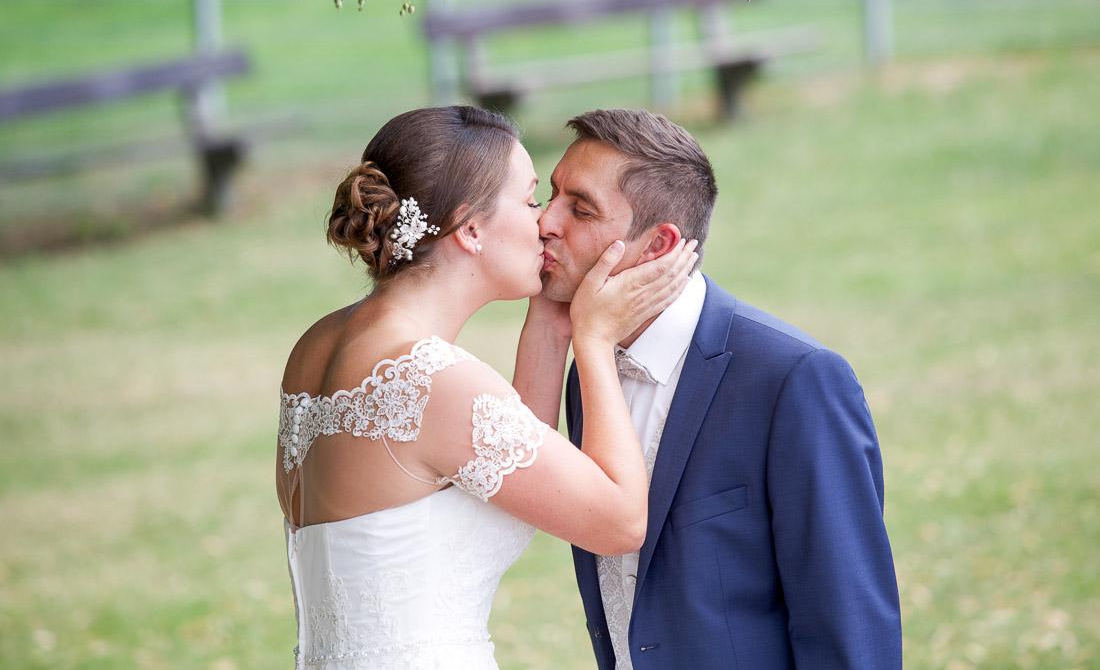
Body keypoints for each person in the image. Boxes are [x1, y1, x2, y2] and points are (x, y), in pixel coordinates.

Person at [273, 105, 698, 669]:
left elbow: (513, 460)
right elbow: (619, 522)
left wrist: (550, 318)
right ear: (471, 229)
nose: (545, 222)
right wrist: (593, 342)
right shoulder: (430, 380)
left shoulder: (319, 345)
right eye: (529, 200)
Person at [540, 108, 903, 669]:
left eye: (579, 208)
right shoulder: (588, 371)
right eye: (552, 193)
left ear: (657, 246)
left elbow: (850, 628)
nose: (545, 221)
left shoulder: (794, 381)